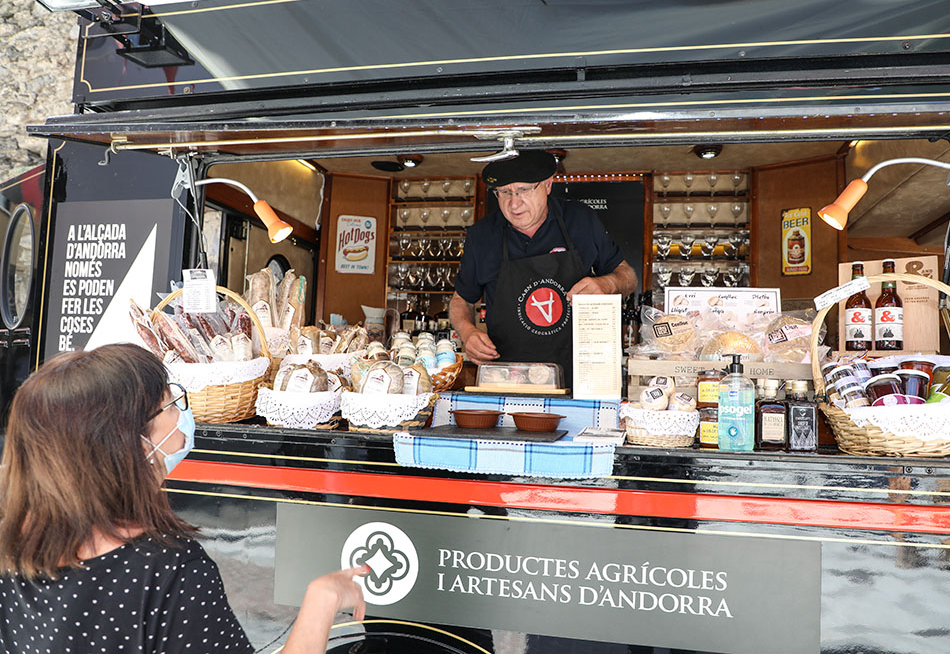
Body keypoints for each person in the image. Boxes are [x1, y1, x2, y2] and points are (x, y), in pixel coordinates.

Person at [0, 343, 366, 654]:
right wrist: (322, 600)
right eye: (171, 403)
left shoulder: (11, 549)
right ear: (133, 443)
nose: (182, 415)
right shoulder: (169, 571)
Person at [450, 150, 637, 386]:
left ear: (547, 185)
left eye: (523, 190)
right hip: (508, 379)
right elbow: (461, 300)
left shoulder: (580, 220)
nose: (514, 203)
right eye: (505, 192)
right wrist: (467, 332)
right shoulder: (483, 235)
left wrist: (608, 283)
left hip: (579, 379)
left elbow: (628, 277)